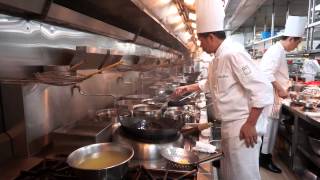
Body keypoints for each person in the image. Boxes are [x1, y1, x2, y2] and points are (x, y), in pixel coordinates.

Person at [172, 0, 274, 179]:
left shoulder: (233, 53)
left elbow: (262, 88)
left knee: (244, 175)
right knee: (230, 174)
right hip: (229, 126)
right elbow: (211, 84)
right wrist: (188, 87)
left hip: (243, 127)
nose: (201, 45)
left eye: (201, 40)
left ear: (211, 37)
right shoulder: (217, 59)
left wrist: (250, 124)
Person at [259, 16, 307, 173]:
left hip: (275, 98)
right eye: (298, 42)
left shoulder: (280, 51)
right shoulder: (276, 51)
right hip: (271, 99)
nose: (297, 45)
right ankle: (264, 160)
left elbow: (276, 74)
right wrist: (280, 89)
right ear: (292, 38)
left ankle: (265, 157)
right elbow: (266, 73)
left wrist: (286, 89)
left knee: (270, 131)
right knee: (268, 130)